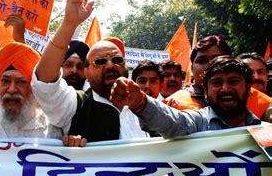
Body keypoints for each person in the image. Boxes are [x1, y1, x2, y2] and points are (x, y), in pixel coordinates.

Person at [31, 0, 149, 142]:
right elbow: (44, 82)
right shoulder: (74, 105)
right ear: (86, 71)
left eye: (116, 60)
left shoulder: (145, 107)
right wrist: (69, 23)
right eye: (100, 62)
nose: (110, 65)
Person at [111, 56, 262, 138]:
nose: (225, 89)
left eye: (233, 82)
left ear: (249, 88)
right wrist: (140, 103)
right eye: (217, 83)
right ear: (205, 92)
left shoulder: (265, 131)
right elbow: (173, 122)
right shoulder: (197, 124)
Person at [165, 35, 272, 119]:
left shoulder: (261, 102)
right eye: (202, 61)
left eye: (217, 58)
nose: (210, 65)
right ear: (192, 68)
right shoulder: (172, 105)